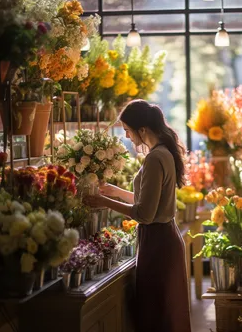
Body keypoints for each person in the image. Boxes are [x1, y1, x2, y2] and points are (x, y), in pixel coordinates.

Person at [84, 99, 192, 332]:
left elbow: (144, 213)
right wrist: (115, 192)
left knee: (156, 313)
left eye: (128, 131)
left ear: (142, 130)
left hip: (157, 243)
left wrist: (104, 201)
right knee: (167, 313)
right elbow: (146, 201)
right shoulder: (163, 152)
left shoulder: (155, 158)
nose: (127, 137)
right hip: (164, 238)